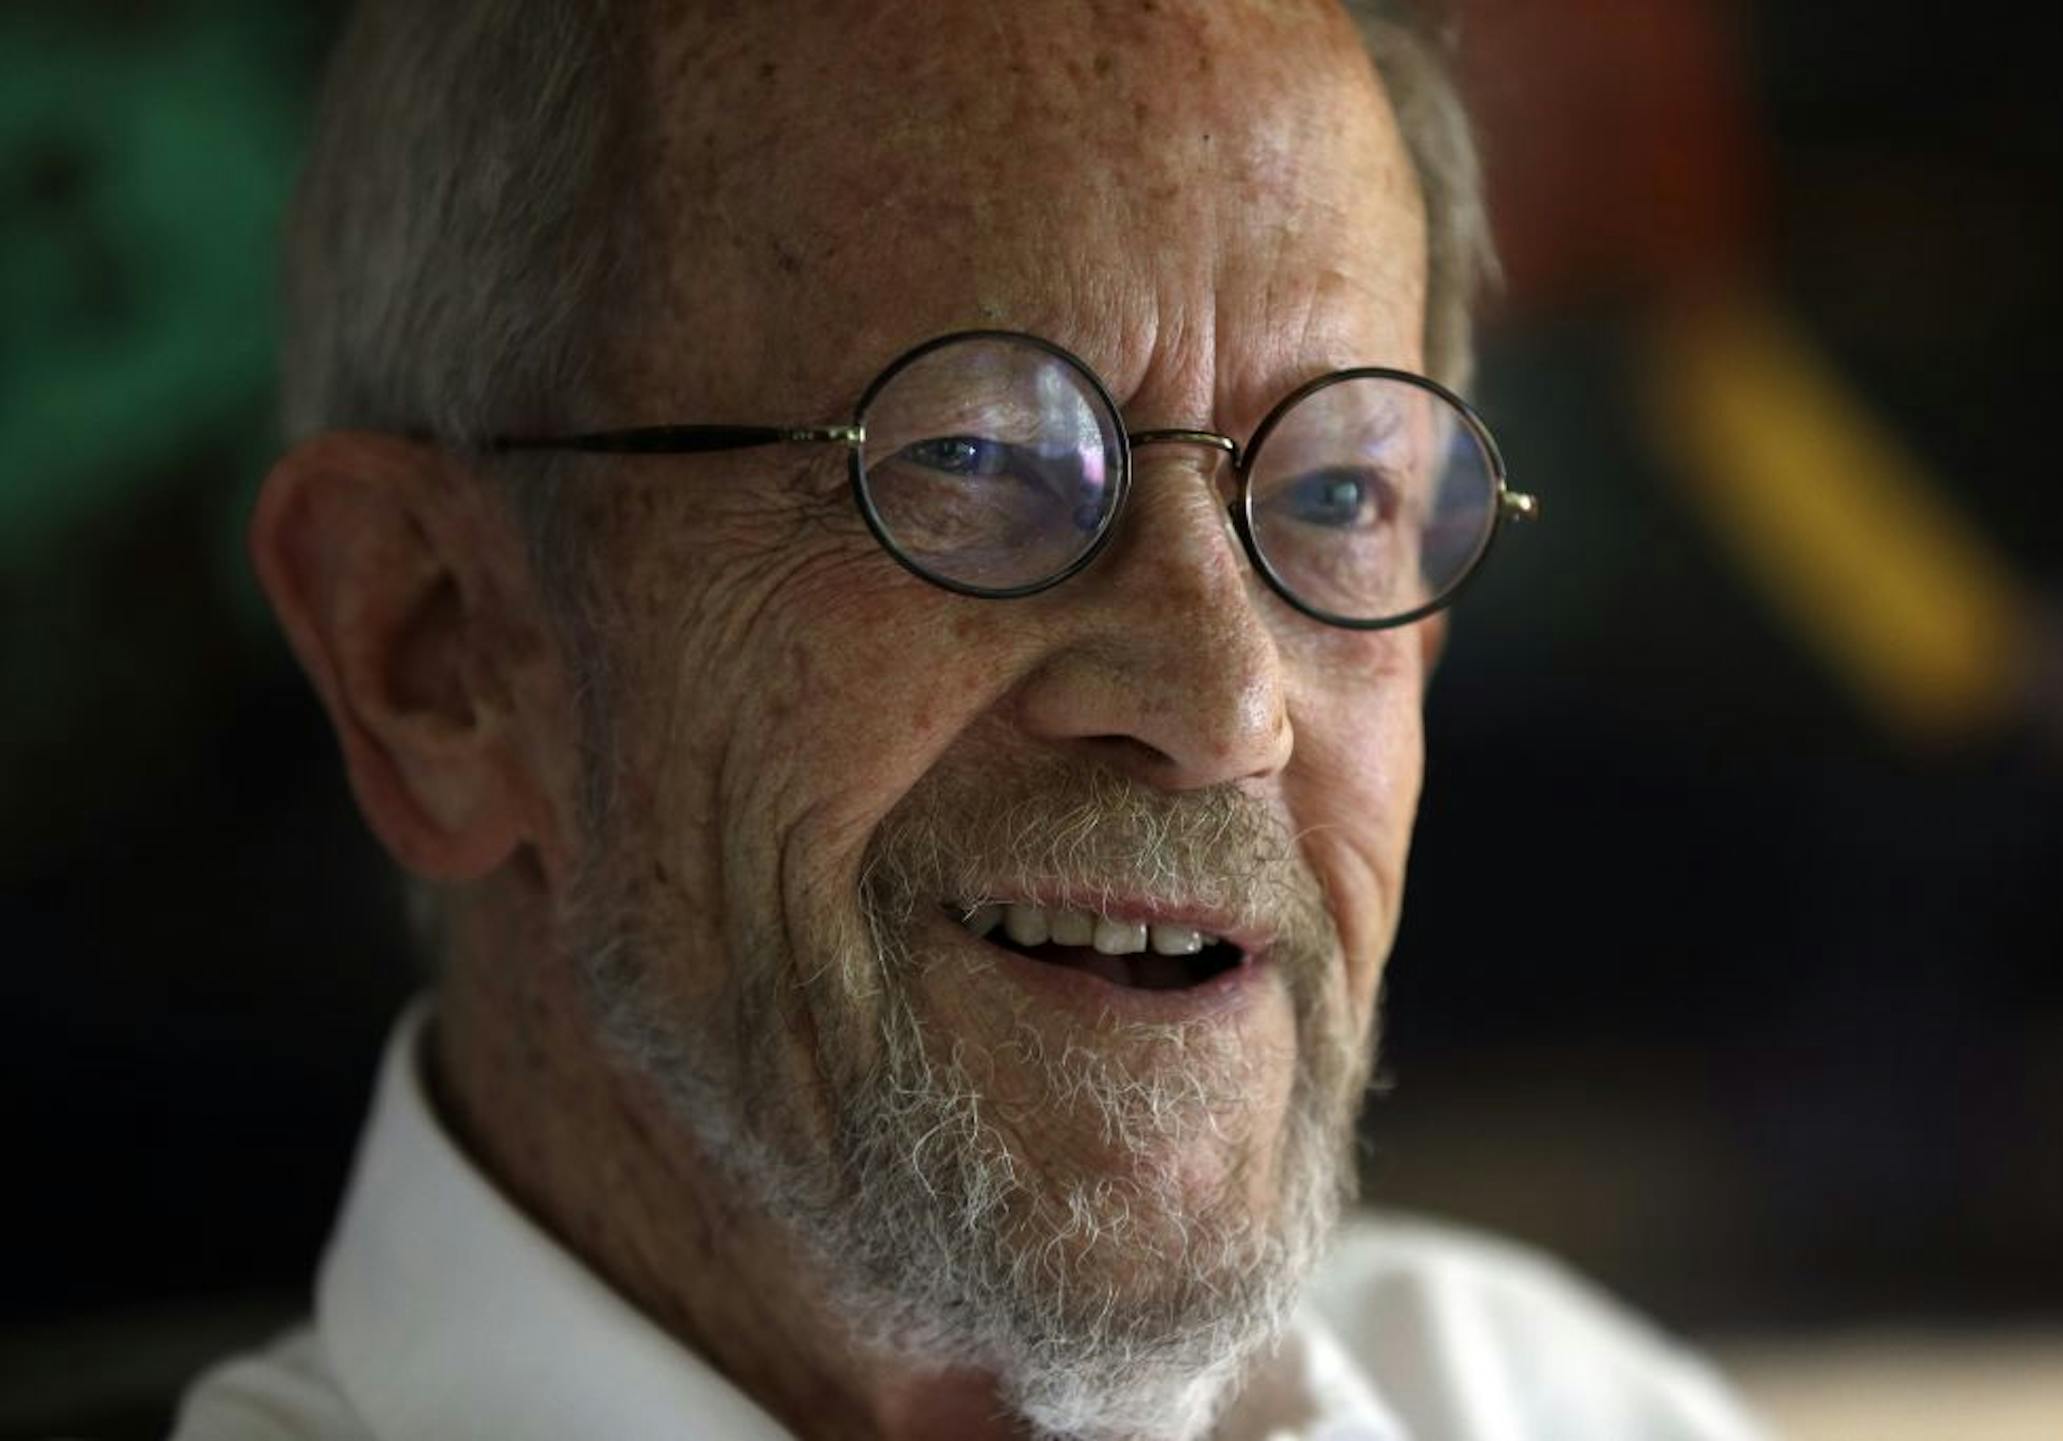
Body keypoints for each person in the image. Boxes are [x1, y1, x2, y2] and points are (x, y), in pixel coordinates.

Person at [174, 1, 1768, 1437]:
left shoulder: (1570, 1401)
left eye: (1339, 491)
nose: (1226, 708)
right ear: (437, 649)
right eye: (971, 460)